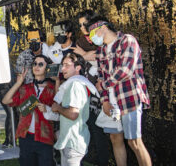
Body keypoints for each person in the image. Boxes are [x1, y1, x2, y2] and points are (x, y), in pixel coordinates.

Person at [87, 15, 152, 166]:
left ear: (103, 28)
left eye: (92, 34)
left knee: (134, 142)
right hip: (111, 102)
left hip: (130, 98)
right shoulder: (102, 50)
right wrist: (104, 101)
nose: (91, 39)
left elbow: (125, 70)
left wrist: (103, 86)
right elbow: (100, 77)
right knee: (115, 138)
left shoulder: (127, 40)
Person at [43, 52, 99, 166]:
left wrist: (58, 108)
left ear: (78, 67)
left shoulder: (75, 85)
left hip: (73, 142)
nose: (63, 68)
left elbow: (73, 114)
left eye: (67, 65)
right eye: (62, 65)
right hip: (71, 141)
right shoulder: (74, 84)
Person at [2, 55, 56, 166]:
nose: (36, 66)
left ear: (48, 68)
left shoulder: (52, 88)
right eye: (34, 64)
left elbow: (58, 107)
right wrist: (18, 83)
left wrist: (58, 81)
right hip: (26, 137)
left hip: (44, 137)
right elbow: (6, 100)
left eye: (41, 64)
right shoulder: (25, 88)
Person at [73, 10, 110, 166]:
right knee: (92, 128)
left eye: (85, 24)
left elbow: (103, 54)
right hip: (88, 91)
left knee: (107, 133)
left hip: (105, 90)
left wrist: (85, 54)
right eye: (80, 25)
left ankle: (104, 161)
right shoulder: (80, 42)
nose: (83, 27)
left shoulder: (101, 37)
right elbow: (77, 58)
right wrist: (86, 54)